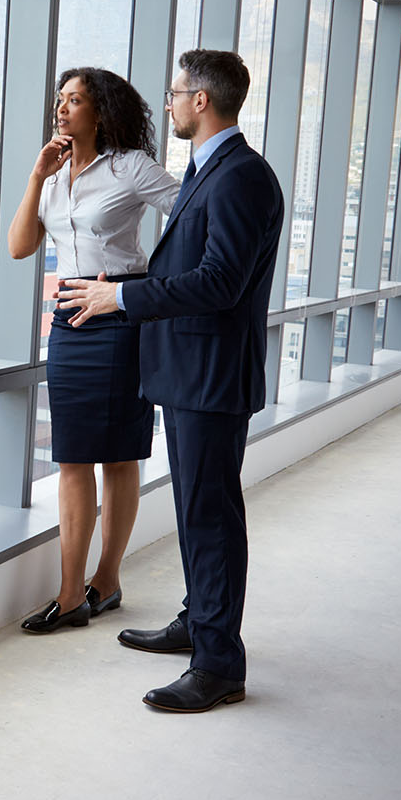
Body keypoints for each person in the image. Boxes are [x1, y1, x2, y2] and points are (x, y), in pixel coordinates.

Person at [59, 49, 283, 713]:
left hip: (210, 375)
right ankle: (199, 621)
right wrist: (127, 287)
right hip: (191, 372)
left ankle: (218, 665)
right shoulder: (211, 170)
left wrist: (122, 299)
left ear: (202, 101)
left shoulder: (240, 176)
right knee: (196, 511)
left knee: (210, 517)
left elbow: (220, 282)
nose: (169, 104)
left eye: (176, 93)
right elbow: (193, 269)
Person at [7, 67, 179, 634]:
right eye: (60, 99)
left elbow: (192, 210)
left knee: (119, 455)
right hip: (68, 321)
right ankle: (69, 593)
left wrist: (145, 285)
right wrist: (37, 176)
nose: (62, 108)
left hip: (118, 317)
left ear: (100, 112)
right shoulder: (54, 174)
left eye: (74, 100)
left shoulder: (130, 167)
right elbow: (19, 247)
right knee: (72, 456)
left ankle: (105, 580)